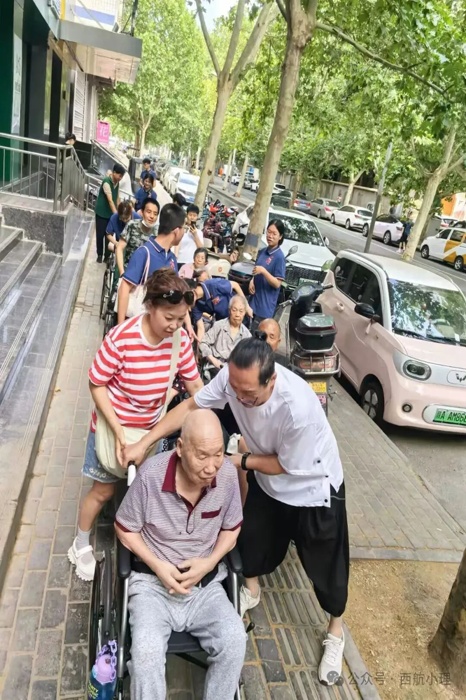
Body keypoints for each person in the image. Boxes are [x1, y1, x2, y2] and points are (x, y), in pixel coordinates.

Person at [121, 338, 350, 687]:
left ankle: (335, 631)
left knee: (327, 567)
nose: (239, 399)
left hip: (312, 485)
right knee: (253, 543)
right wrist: (144, 442)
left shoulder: (297, 408)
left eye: (249, 395)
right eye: (235, 390)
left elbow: (285, 465)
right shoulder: (234, 380)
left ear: (271, 381)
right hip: (268, 481)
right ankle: (250, 592)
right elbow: (191, 405)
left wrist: (236, 461)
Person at [68, 269, 203, 581]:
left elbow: (195, 388)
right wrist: (118, 432)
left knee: (146, 489)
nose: (175, 325)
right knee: (102, 491)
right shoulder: (122, 338)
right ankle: (80, 543)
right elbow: (96, 383)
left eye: (181, 318)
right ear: (150, 306)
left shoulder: (179, 340)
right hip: (112, 427)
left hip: (151, 431)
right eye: (169, 317)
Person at [115, 410, 246, 700]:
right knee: (146, 653)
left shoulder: (226, 475)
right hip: (152, 587)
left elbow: (232, 529)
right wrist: (158, 566)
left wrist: (209, 563)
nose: (211, 467)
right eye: (202, 456)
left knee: (235, 640)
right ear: (180, 448)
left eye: (218, 454)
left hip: (205, 587)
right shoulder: (150, 476)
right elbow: (124, 529)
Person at [117, 203, 185, 324]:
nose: (184, 232)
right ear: (176, 231)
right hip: (138, 323)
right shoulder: (144, 253)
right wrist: (121, 327)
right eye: (184, 228)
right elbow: (124, 288)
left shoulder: (172, 258)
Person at [249, 220, 286, 329]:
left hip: (264, 308)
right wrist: (252, 280)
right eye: (269, 232)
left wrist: (264, 271)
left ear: (280, 237)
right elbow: (256, 270)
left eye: (274, 234)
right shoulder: (262, 251)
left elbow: (277, 284)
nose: (270, 236)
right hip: (253, 303)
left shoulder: (279, 257)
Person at [199, 296, 251, 373]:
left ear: (245, 313)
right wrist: (213, 360)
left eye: (241, 311)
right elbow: (203, 342)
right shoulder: (219, 325)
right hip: (214, 366)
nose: (237, 314)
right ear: (229, 310)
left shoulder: (247, 335)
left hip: (234, 371)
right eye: (234, 310)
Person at [192, 277, 252, 343]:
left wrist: (247, 307)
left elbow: (235, 285)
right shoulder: (195, 305)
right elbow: (200, 328)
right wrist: (200, 345)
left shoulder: (213, 284)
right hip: (223, 320)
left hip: (237, 311)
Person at [115, 197, 160, 276]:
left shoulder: (158, 233)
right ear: (142, 212)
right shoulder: (132, 225)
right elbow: (119, 247)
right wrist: (122, 272)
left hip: (146, 277)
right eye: (149, 212)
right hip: (128, 272)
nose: (152, 216)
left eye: (155, 214)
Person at [95, 163, 126, 263]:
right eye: (119, 175)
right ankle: (100, 254)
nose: (120, 178)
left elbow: (117, 199)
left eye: (122, 176)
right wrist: (116, 215)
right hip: (101, 213)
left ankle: (107, 256)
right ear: (114, 172)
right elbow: (110, 200)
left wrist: (121, 210)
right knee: (100, 235)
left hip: (110, 214)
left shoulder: (117, 183)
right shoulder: (106, 182)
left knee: (109, 235)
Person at [175, 204, 204, 270]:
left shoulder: (199, 232)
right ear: (187, 215)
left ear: (197, 217)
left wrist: (195, 235)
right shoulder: (181, 229)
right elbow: (177, 243)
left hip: (191, 262)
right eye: (190, 215)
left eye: (194, 216)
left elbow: (201, 249)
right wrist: (175, 256)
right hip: (179, 260)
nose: (192, 217)